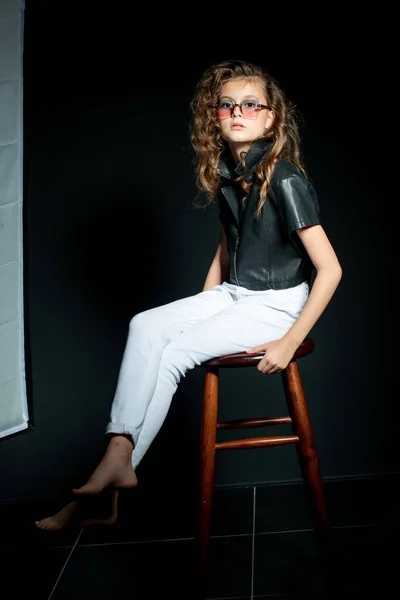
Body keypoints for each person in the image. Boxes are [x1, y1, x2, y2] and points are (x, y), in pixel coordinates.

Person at [34, 59, 342, 531]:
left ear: (271, 118)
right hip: (236, 293)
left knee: (175, 353)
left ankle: (111, 479)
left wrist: (288, 340)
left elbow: (330, 268)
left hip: (278, 304)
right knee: (144, 324)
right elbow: (227, 247)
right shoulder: (228, 174)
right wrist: (204, 307)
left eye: (251, 104)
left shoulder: (283, 178)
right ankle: (118, 455)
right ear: (214, 117)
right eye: (227, 105)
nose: (238, 112)